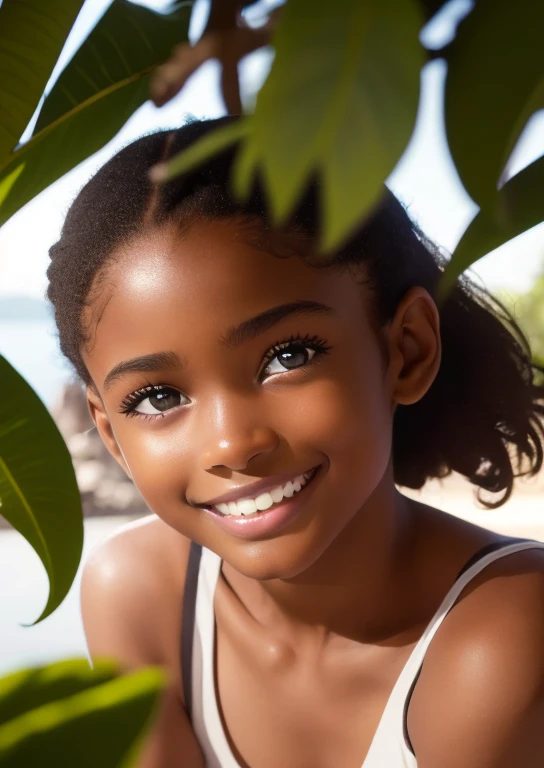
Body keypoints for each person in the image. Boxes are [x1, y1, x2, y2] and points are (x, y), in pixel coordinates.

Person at [47, 116, 544, 768]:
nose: (232, 443)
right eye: (159, 398)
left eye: (288, 356)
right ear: (109, 433)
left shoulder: (507, 632)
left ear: (407, 349)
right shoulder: (137, 593)